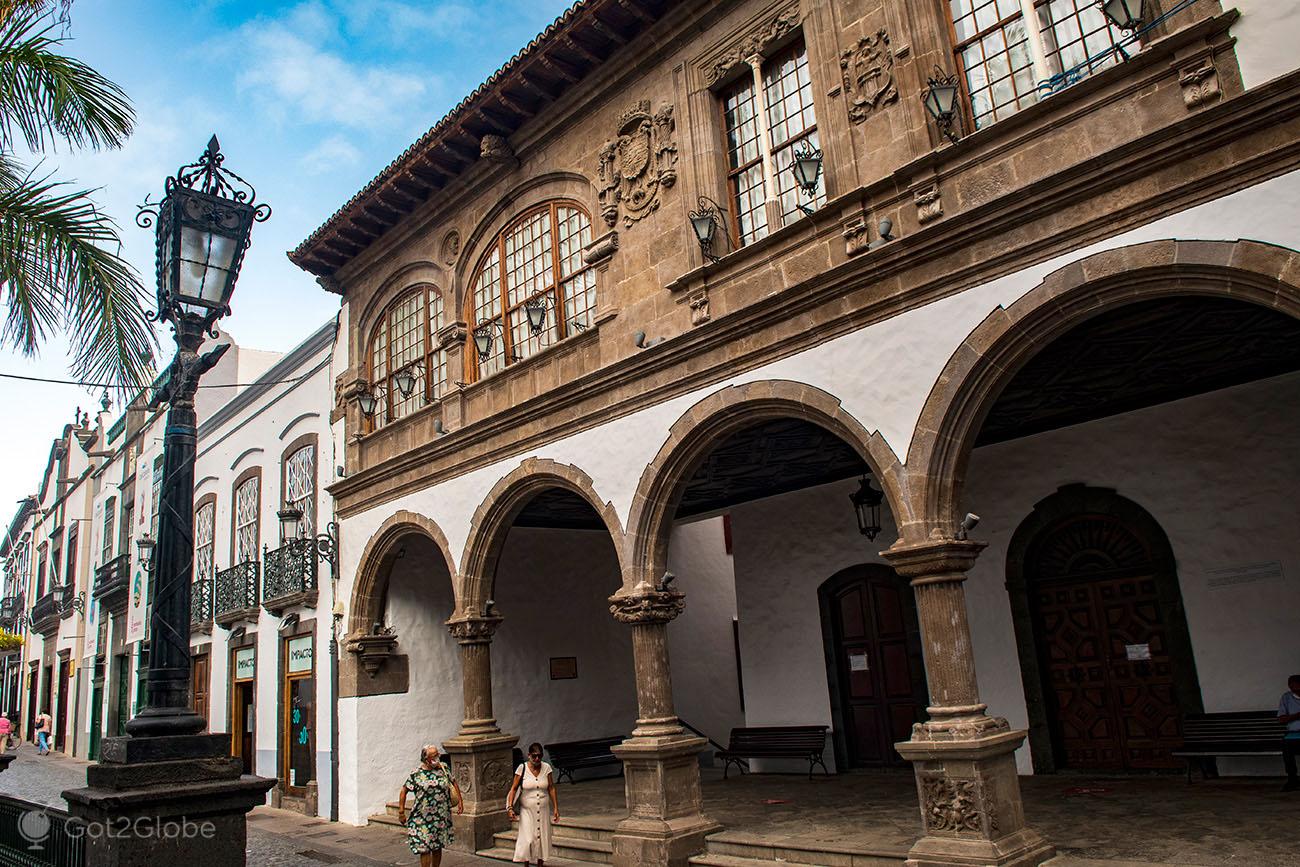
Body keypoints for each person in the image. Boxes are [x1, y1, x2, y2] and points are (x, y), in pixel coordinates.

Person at [397, 744, 463, 867]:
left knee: (437, 845)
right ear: (425, 758)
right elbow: (404, 790)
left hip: (440, 815)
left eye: (437, 754)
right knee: (425, 847)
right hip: (422, 817)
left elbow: (453, 782)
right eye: (434, 756)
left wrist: (460, 801)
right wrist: (401, 812)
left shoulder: (443, 768)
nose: (437, 757)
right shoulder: (416, 773)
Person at [506, 742, 559, 866]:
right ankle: (526, 863)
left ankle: (540, 863)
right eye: (534, 756)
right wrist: (510, 808)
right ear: (529, 755)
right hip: (527, 811)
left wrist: (556, 807)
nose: (537, 759)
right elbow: (513, 788)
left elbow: (551, 787)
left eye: (539, 756)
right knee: (528, 839)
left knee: (541, 837)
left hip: (543, 808)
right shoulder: (522, 768)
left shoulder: (546, 768)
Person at [1278, 675, 1300, 791]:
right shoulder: (1286, 698)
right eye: (1290, 684)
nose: (1291, 686)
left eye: (1294, 684)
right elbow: (1281, 719)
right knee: (1286, 746)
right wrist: (1297, 715)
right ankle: (1292, 779)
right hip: (1293, 734)